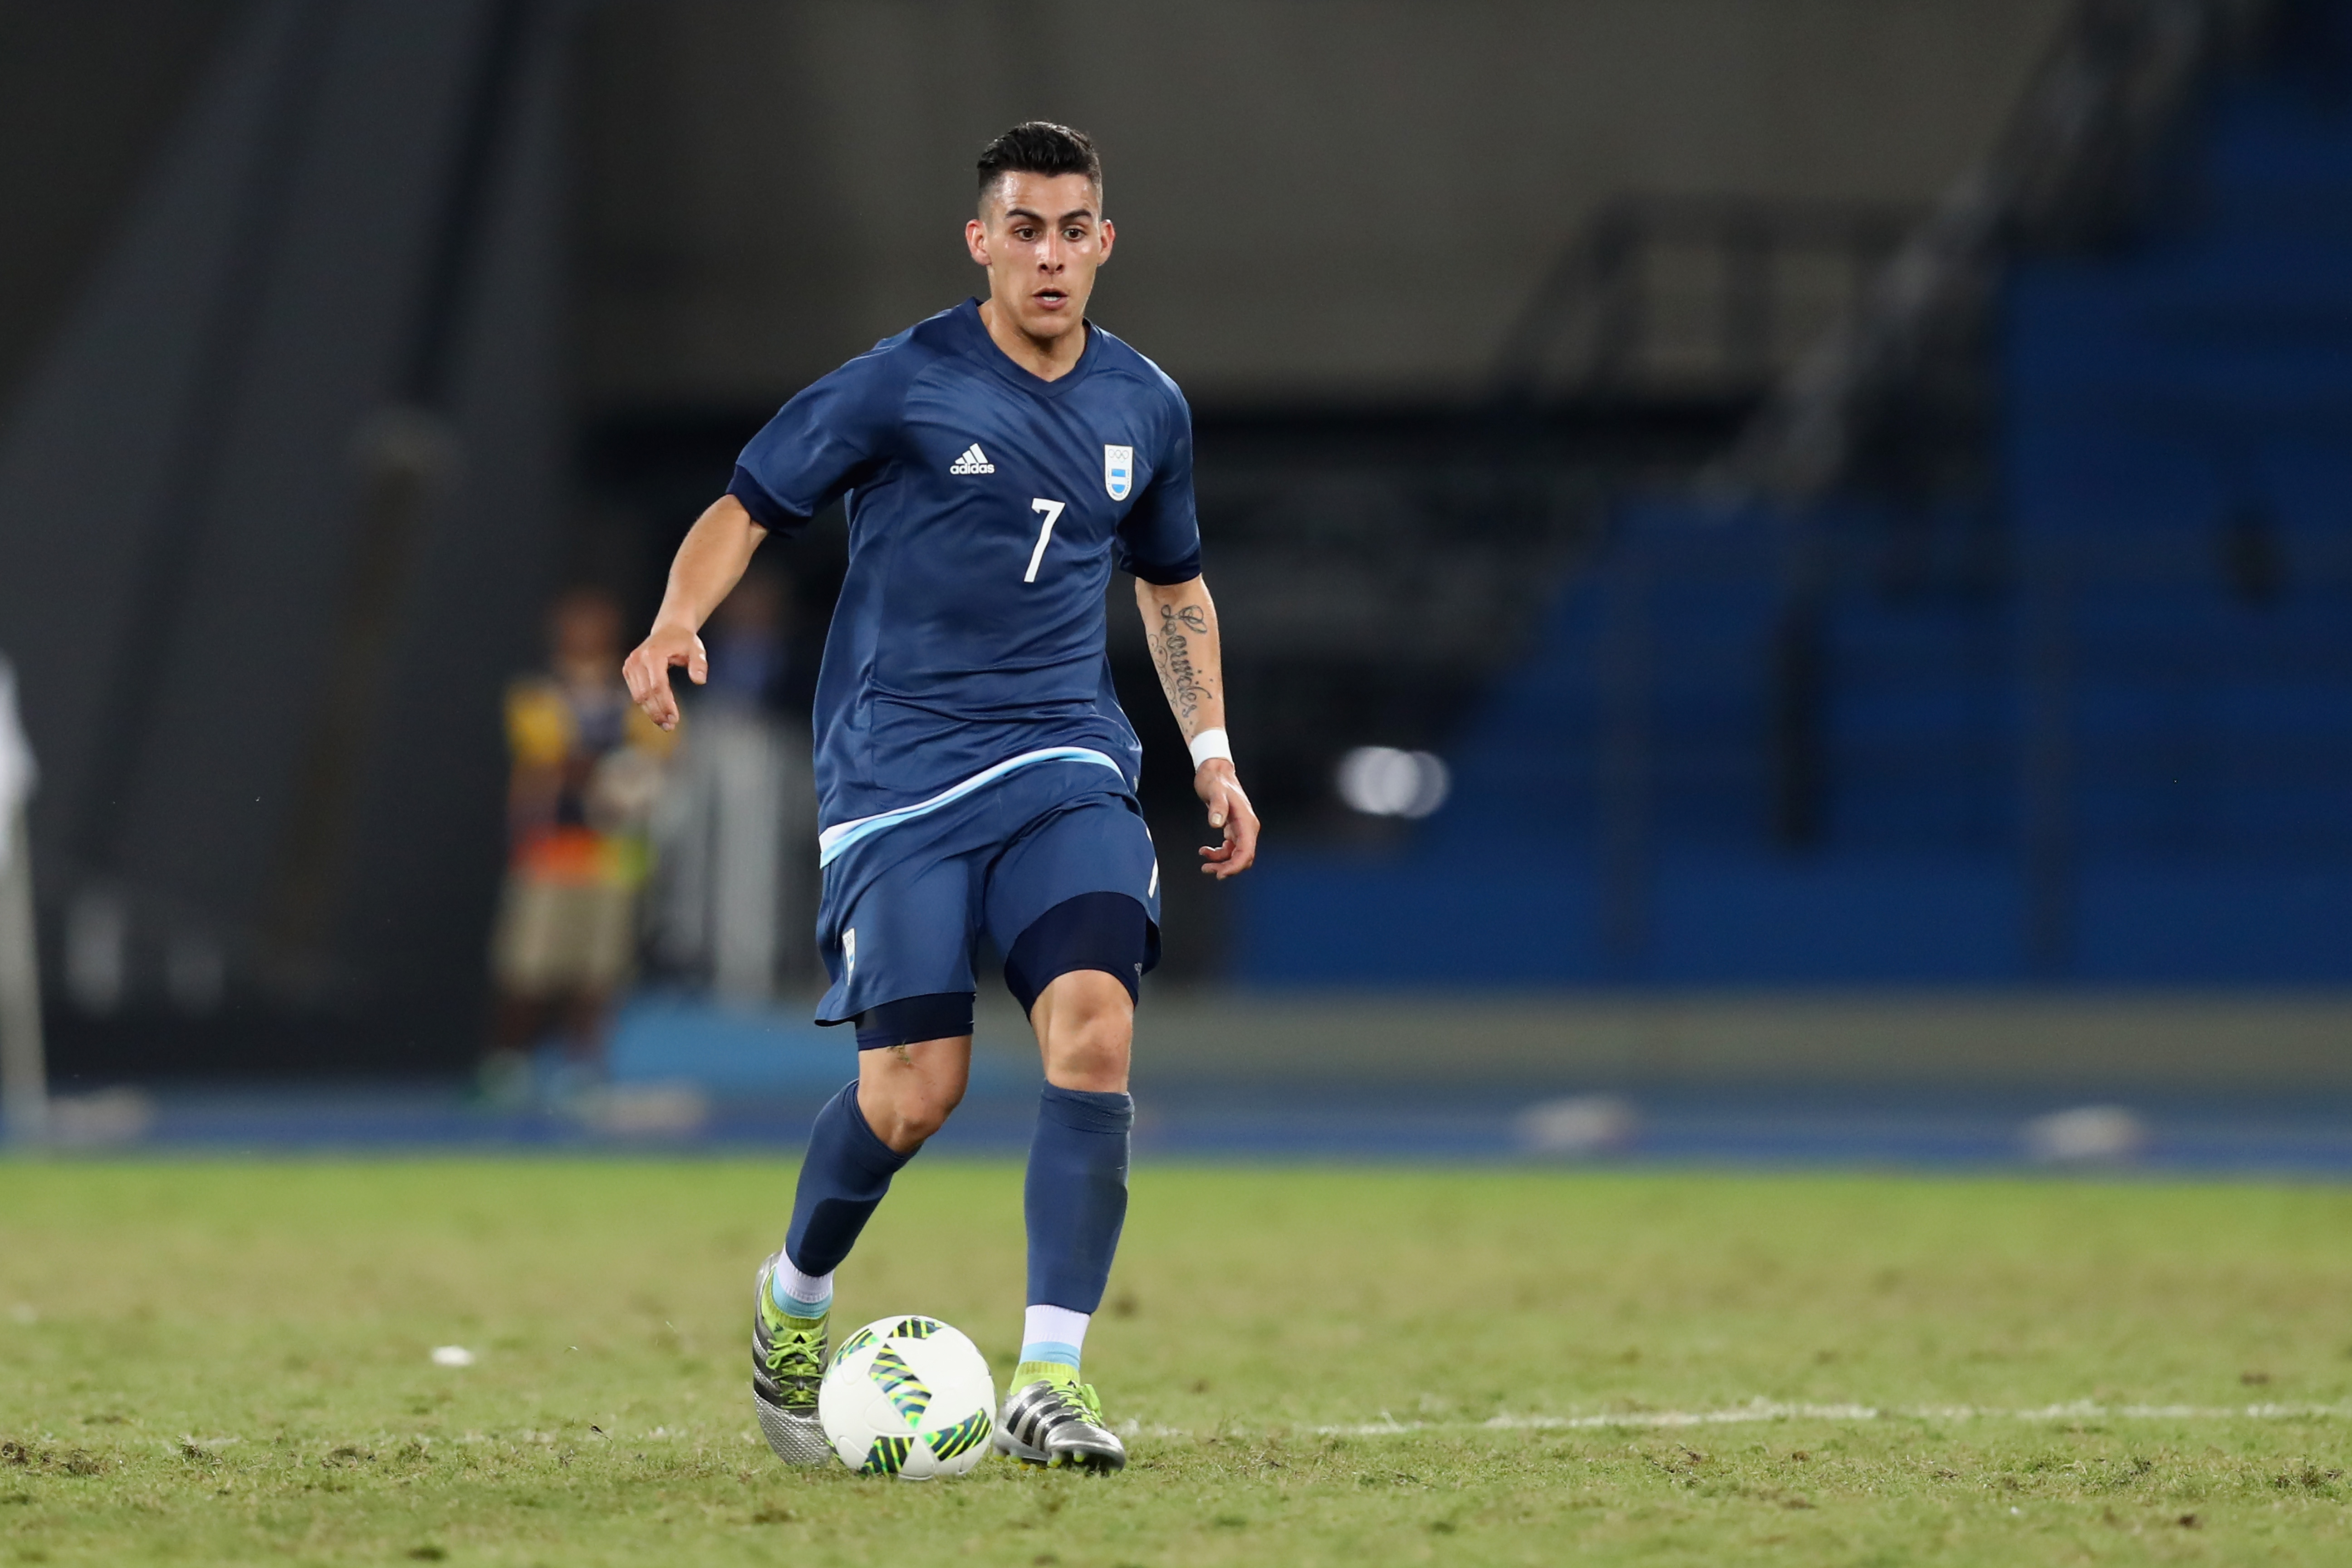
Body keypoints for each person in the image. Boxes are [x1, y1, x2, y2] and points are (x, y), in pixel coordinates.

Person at [623, 121, 1259, 1473]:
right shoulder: (904, 383)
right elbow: (750, 501)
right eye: (1022, 228)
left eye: (1071, 229)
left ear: (1103, 243)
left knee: (1092, 1030)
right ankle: (794, 1295)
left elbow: (1170, 582)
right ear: (981, 241)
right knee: (915, 1094)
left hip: (1062, 761)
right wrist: (680, 616)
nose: (1047, 254)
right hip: (897, 774)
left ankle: (1050, 1377)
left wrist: (1210, 750)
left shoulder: (1146, 408)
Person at [489, 587, 676, 1099]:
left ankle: (584, 1068)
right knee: (528, 966)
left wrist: (627, 776)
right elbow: (551, 758)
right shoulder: (539, 692)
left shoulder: (633, 694)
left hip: (612, 854)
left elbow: (658, 752)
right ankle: (507, 1065)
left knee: (599, 971)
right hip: (551, 847)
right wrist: (612, 771)